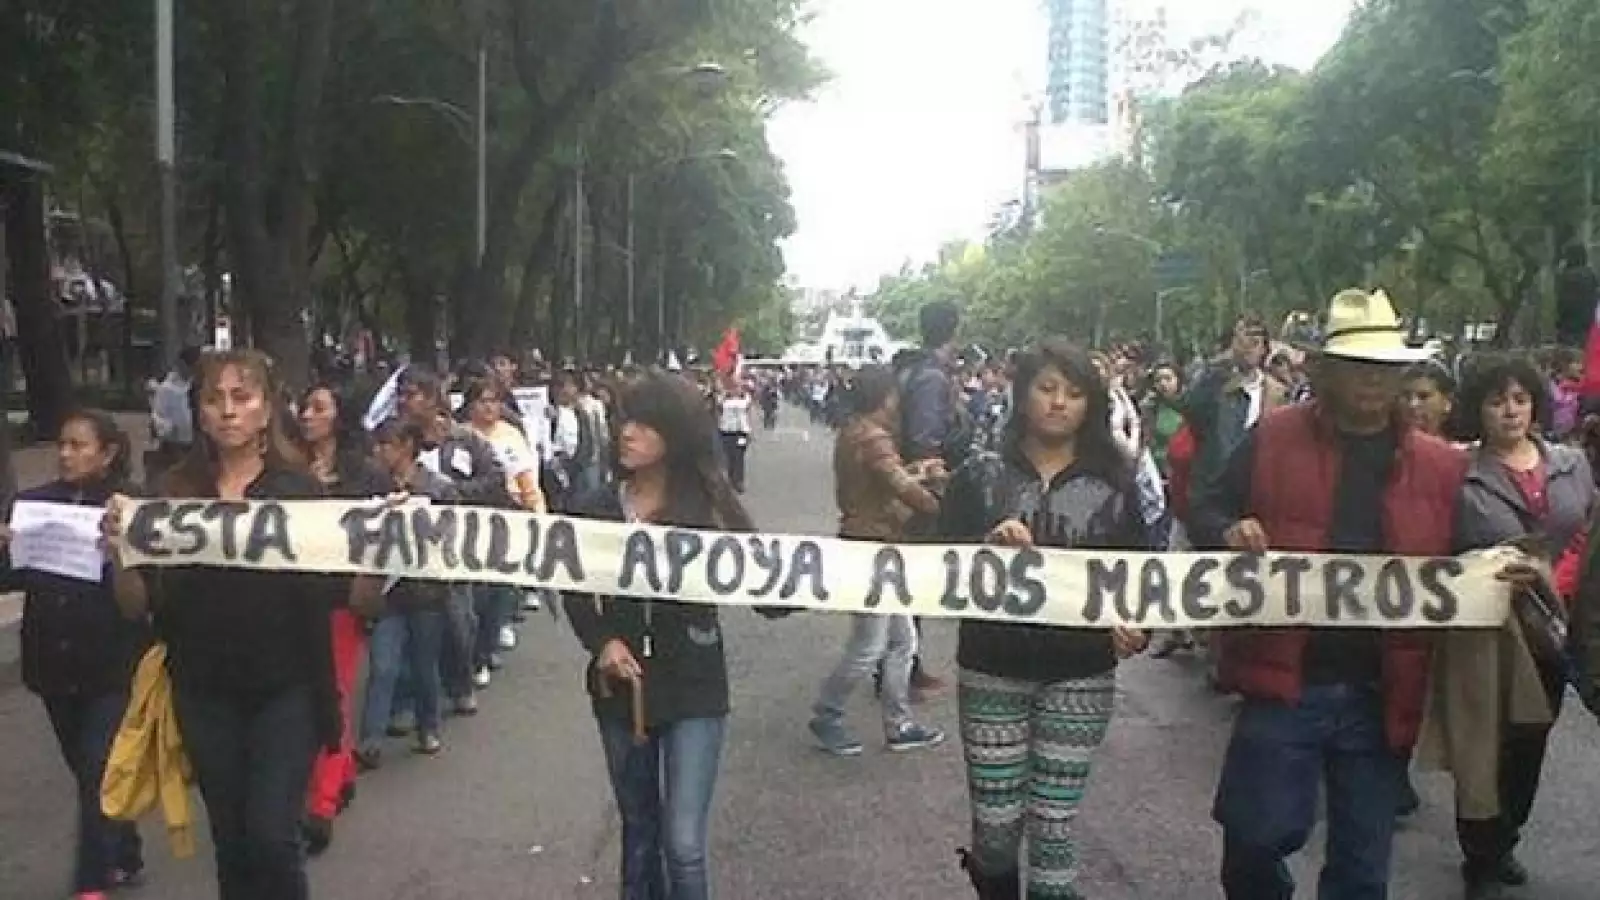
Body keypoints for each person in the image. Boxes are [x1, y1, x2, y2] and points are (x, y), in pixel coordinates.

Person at [1190, 290, 1468, 900]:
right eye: (1359, 366)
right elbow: (1206, 505)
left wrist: (1510, 568)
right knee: (1253, 839)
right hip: (1283, 678)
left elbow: (1471, 558)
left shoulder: (1442, 467)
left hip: (1382, 690)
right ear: (1326, 371)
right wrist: (1227, 531)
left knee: (1363, 870)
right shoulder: (1273, 437)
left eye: (1385, 368)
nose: (1373, 381)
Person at [106, 349, 346, 900]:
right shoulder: (172, 494)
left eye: (243, 397)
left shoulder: (299, 494)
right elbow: (135, 607)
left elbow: (349, 598)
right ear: (200, 413)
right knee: (233, 843)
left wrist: (386, 550)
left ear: (266, 411)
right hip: (204, 691)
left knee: (270, 837)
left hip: (287, 691)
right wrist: (122, 550)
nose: (228, 411)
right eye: (214, 399)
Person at [940, 337, 1150, 899]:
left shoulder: (1120, 485)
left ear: (1092, 404)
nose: (1059, 402)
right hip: (992, 667)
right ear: (1022, 394)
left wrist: (1135, 627)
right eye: (1048, 388)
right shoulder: (980, 475)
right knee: (997, 829)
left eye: (1075, 392)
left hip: (1081, 671)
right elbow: (934, 560)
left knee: (1054, 824)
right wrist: (985, 547)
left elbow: (1147, 579)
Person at [562, 372, 759, 900]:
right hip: (622, 692)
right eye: (625, 419)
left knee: (684, 844)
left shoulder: (709, 506)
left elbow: (777, 597)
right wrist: (603, 642)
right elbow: (572, 588)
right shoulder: (596, 505)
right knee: (640, 830)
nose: (628, 432)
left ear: (677, 434)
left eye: (646, 424)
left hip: (694, 687)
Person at [1424, 356, 1594, 900]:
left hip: (1557, 627)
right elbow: (1437, 548)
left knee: (1532, 738)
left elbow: (1587, 538)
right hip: (1485, 629)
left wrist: (1556, 579)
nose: (1510, 410)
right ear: (1478, 409)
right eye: (1497, 401)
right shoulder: (1457, 472)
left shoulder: (1572, 464)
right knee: (1484, 742)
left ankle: (1506, 835)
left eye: (1520, 399)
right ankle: (1480, 853)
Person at [6, 410, 147, 900]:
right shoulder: (33, 504)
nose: (66, 454)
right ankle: (123, 843)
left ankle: (90, 884)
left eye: (79, 445)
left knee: (95, 769)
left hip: (111, 663)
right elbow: (16, 577)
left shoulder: (130, 507)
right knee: (86, 768)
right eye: (62, 444)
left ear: (107, 452)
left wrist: (120, 546)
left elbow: (145, 590)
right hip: (52, 662)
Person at [808, 366, 947, 756]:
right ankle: (828, 713)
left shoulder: (853, 432)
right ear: (885, 398)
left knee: (902, 640)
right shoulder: (874, 437)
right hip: (873, 547)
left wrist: (918, 474)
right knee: (870, 645)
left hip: (868, 543)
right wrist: (938, 503)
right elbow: (898, 484)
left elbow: (888, 477)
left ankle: (899, 722)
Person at [296, 381, 392, 855]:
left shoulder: (367, 474)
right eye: (303, 407)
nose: (306, 415)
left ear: (338, 416)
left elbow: (385, 534)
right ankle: (345, 770)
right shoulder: (286, 470)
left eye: (318, 407)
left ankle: (322, 803)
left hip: (342, 598)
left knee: (331, 690)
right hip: (293, 598)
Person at [356, 417, 458, 767]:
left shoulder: (438, 486)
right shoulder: (374, 484)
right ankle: (370, 738)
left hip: (426, 592)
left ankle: (428, 725)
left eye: (387, 445)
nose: (380, 452)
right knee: (383, 665)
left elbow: (452, 534)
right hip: (387, 592)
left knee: (423, 664)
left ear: (406, 448)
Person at [716, 375, 754, 493]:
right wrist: (725, 392)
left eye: (737, 388)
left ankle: (739, 481)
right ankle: (730, 479)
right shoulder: (724, 401)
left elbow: (749, 411)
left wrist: (750, 432)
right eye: (733, 388)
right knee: (728, 456)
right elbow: (718, 406)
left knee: (739, 456)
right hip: (726, 432)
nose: (735, 390)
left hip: (741, 432)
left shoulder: (745, 400)